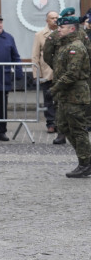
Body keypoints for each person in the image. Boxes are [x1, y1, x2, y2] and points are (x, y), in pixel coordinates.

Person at [48, 13, 91, 177]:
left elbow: (72, 74)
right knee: (64, 126)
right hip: (65, 95)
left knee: (78, 129)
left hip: (75, 95)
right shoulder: (66, 45)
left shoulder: (76, 47)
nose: (58, 30)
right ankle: (86, 158)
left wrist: (54, 88)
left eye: (62, 27)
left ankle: (85, 163)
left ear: (72, 29)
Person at [32, 11, 60, 135]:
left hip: (61, 73)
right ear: (47, 20)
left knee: (60, 100)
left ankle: (60, 123)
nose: (55, 20)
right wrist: (35, 74)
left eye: (56, 18)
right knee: (48, 99)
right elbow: (35, 56)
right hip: (47, 73)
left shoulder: (63, 33)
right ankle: (51, 123)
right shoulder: (40, 35)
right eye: (52, 18)